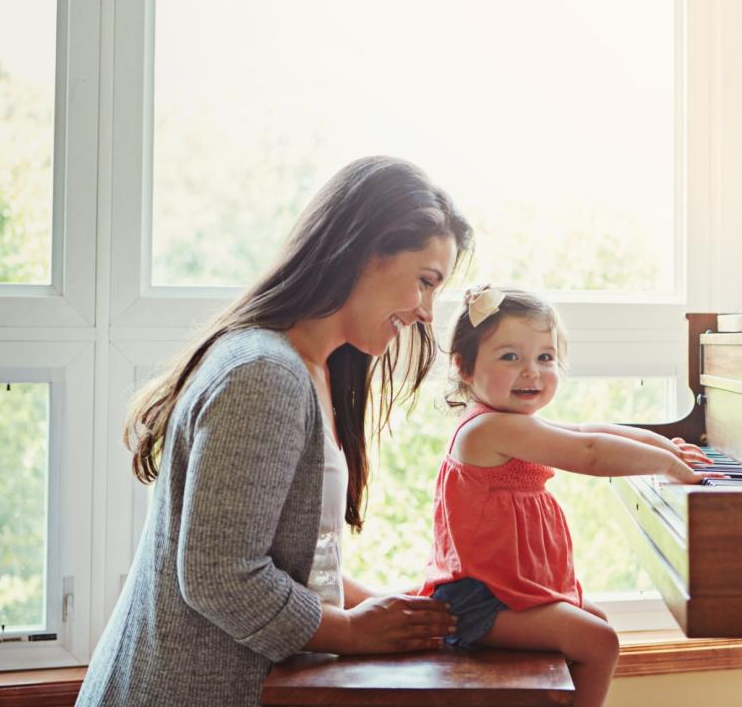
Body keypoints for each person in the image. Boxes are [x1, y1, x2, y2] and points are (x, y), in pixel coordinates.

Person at [78, 156, 473, 706]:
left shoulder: (313, 371)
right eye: (425, 281)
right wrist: (357, 632)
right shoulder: (264, 373)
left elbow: (297, 563)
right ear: (365, 252)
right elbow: (222, 575)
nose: (428, 312)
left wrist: (400, 613)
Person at [417, 286, 720, 707]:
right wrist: (665, 466)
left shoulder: (511, 422)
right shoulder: (490, 429)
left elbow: (589, 431)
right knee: (599, 641)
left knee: (593, 621)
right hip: (479, 602)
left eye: (545, 357)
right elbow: (590, 454)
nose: (532, 372)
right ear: (464, 368)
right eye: (510, 357)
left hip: (508, 591)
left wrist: (666, 445)